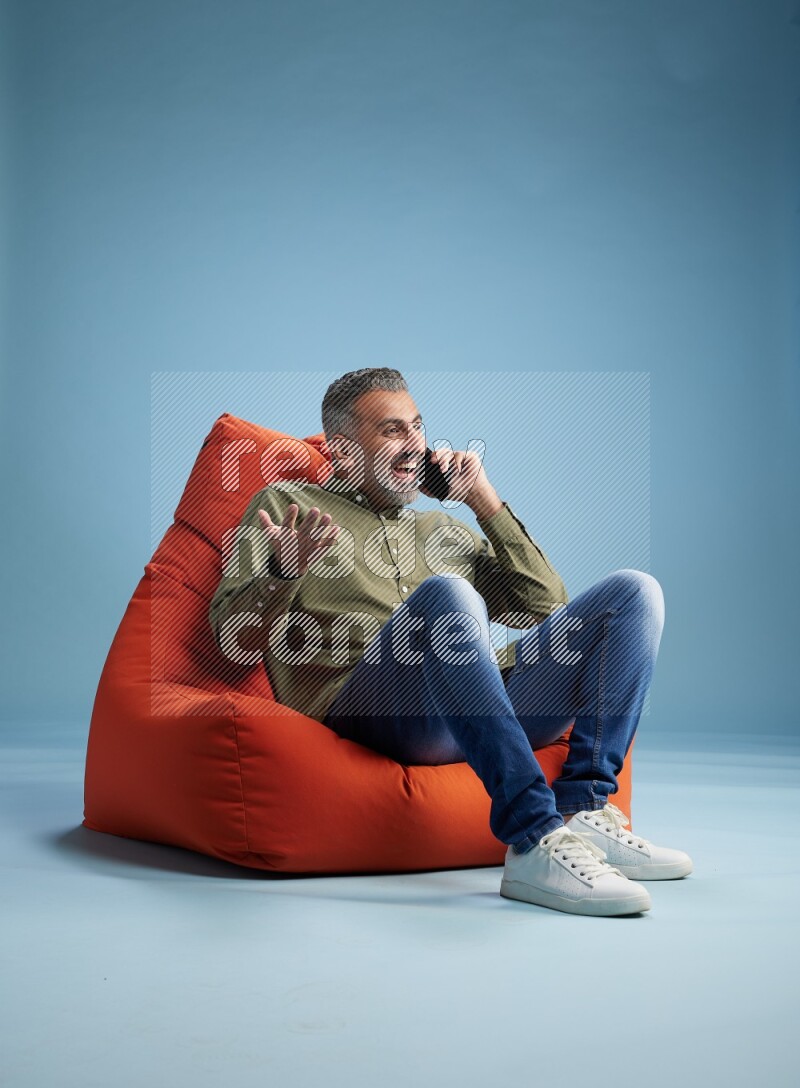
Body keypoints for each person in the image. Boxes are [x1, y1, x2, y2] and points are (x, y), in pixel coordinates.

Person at [208, 367, 692, 917]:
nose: (414, 444)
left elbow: (545, 604)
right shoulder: (285, 506)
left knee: (633, 594)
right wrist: (282, 569)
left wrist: (484, 503)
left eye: (417, 427)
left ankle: (583, 807)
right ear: (342, 452)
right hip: (374, 711)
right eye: (393, 431)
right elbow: (230, 643)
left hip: (478, 710)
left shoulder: (442, 529)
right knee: (448, 596)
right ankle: (534, 839)